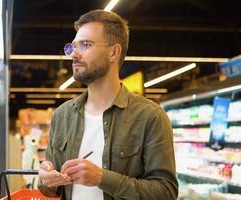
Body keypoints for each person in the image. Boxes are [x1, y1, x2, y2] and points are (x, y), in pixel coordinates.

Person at [38, 10, 178, 200]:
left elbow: (165, 192)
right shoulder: (62, 116)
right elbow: (46, 188)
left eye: (85, 45)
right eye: (73, 46)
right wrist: (46, 180)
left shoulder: (150, 116)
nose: (74, 55)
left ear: (114, 52)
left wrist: (102, 178)